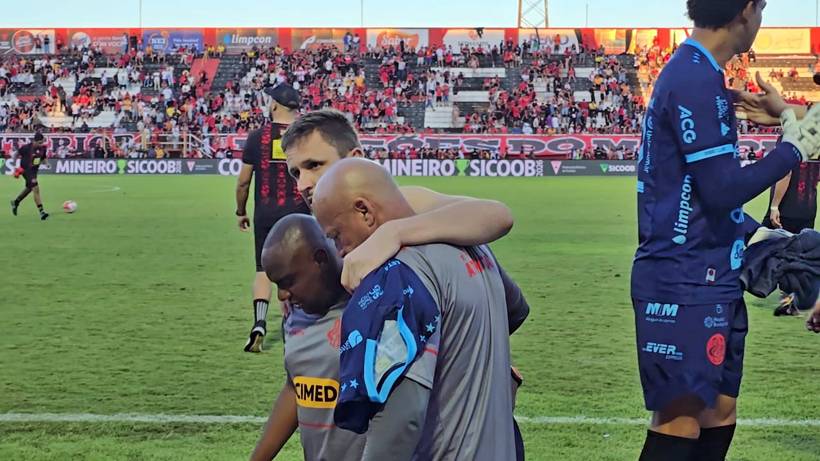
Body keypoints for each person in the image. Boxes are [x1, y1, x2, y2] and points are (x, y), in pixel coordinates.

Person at [632, 1, 820, 460]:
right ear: (748, 9)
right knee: (679, 422)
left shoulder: (705, 74)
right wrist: (794, 146)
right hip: (682, 279)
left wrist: (762, 239)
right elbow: (720, 191)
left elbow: (702, 194)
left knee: (719, 412)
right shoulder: (694, 76)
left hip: (715, 273)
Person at [311, 158, 527, 460]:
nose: (339, 250)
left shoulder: (397, 274)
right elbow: (515, 309)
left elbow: (402, 421)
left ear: (364, 211)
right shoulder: (474, 243)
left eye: (335, 235)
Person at [280, 109, 514, 293]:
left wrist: (393, 233)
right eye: (296, 173)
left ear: (356, 160)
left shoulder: (401, 204)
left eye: (315, 165)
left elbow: (497, 215)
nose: (303, 185)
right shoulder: (308, 232)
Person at [250, 214, 365, 461]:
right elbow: (297, 383)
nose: (281, 296)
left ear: (320, 260)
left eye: (288, 281)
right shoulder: (295, 314)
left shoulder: (373, 299)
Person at [236, 84, 310, 353]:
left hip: (266, 212)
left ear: (275, 104)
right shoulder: (305, 137)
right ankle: (293, 327)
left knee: (262, 270)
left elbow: (243, 182)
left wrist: (240, 211)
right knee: (294, 272)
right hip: (299, 212)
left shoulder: (258, 137)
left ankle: (259, 324)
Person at [762, 160, 819, 315]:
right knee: (800, 255)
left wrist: (775, 206)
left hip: (787, 206)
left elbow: (785, 173)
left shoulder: (790, 138)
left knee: (761, 243)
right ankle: (794, 296)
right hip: (808, 206)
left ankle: (783, 292)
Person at [10, 132, 49, 220]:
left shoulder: (43, 148)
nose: (41, 144)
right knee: (36, 188)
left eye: (41, 142)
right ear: (34, 141)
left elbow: (44, 157)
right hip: (26, 170)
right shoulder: (26, 148)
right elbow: (16, 154)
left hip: (34, 172)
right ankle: (42, 212)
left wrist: (47, 163)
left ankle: (16, 202)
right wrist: (14, 165)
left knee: (29, 188)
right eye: (39, 143)